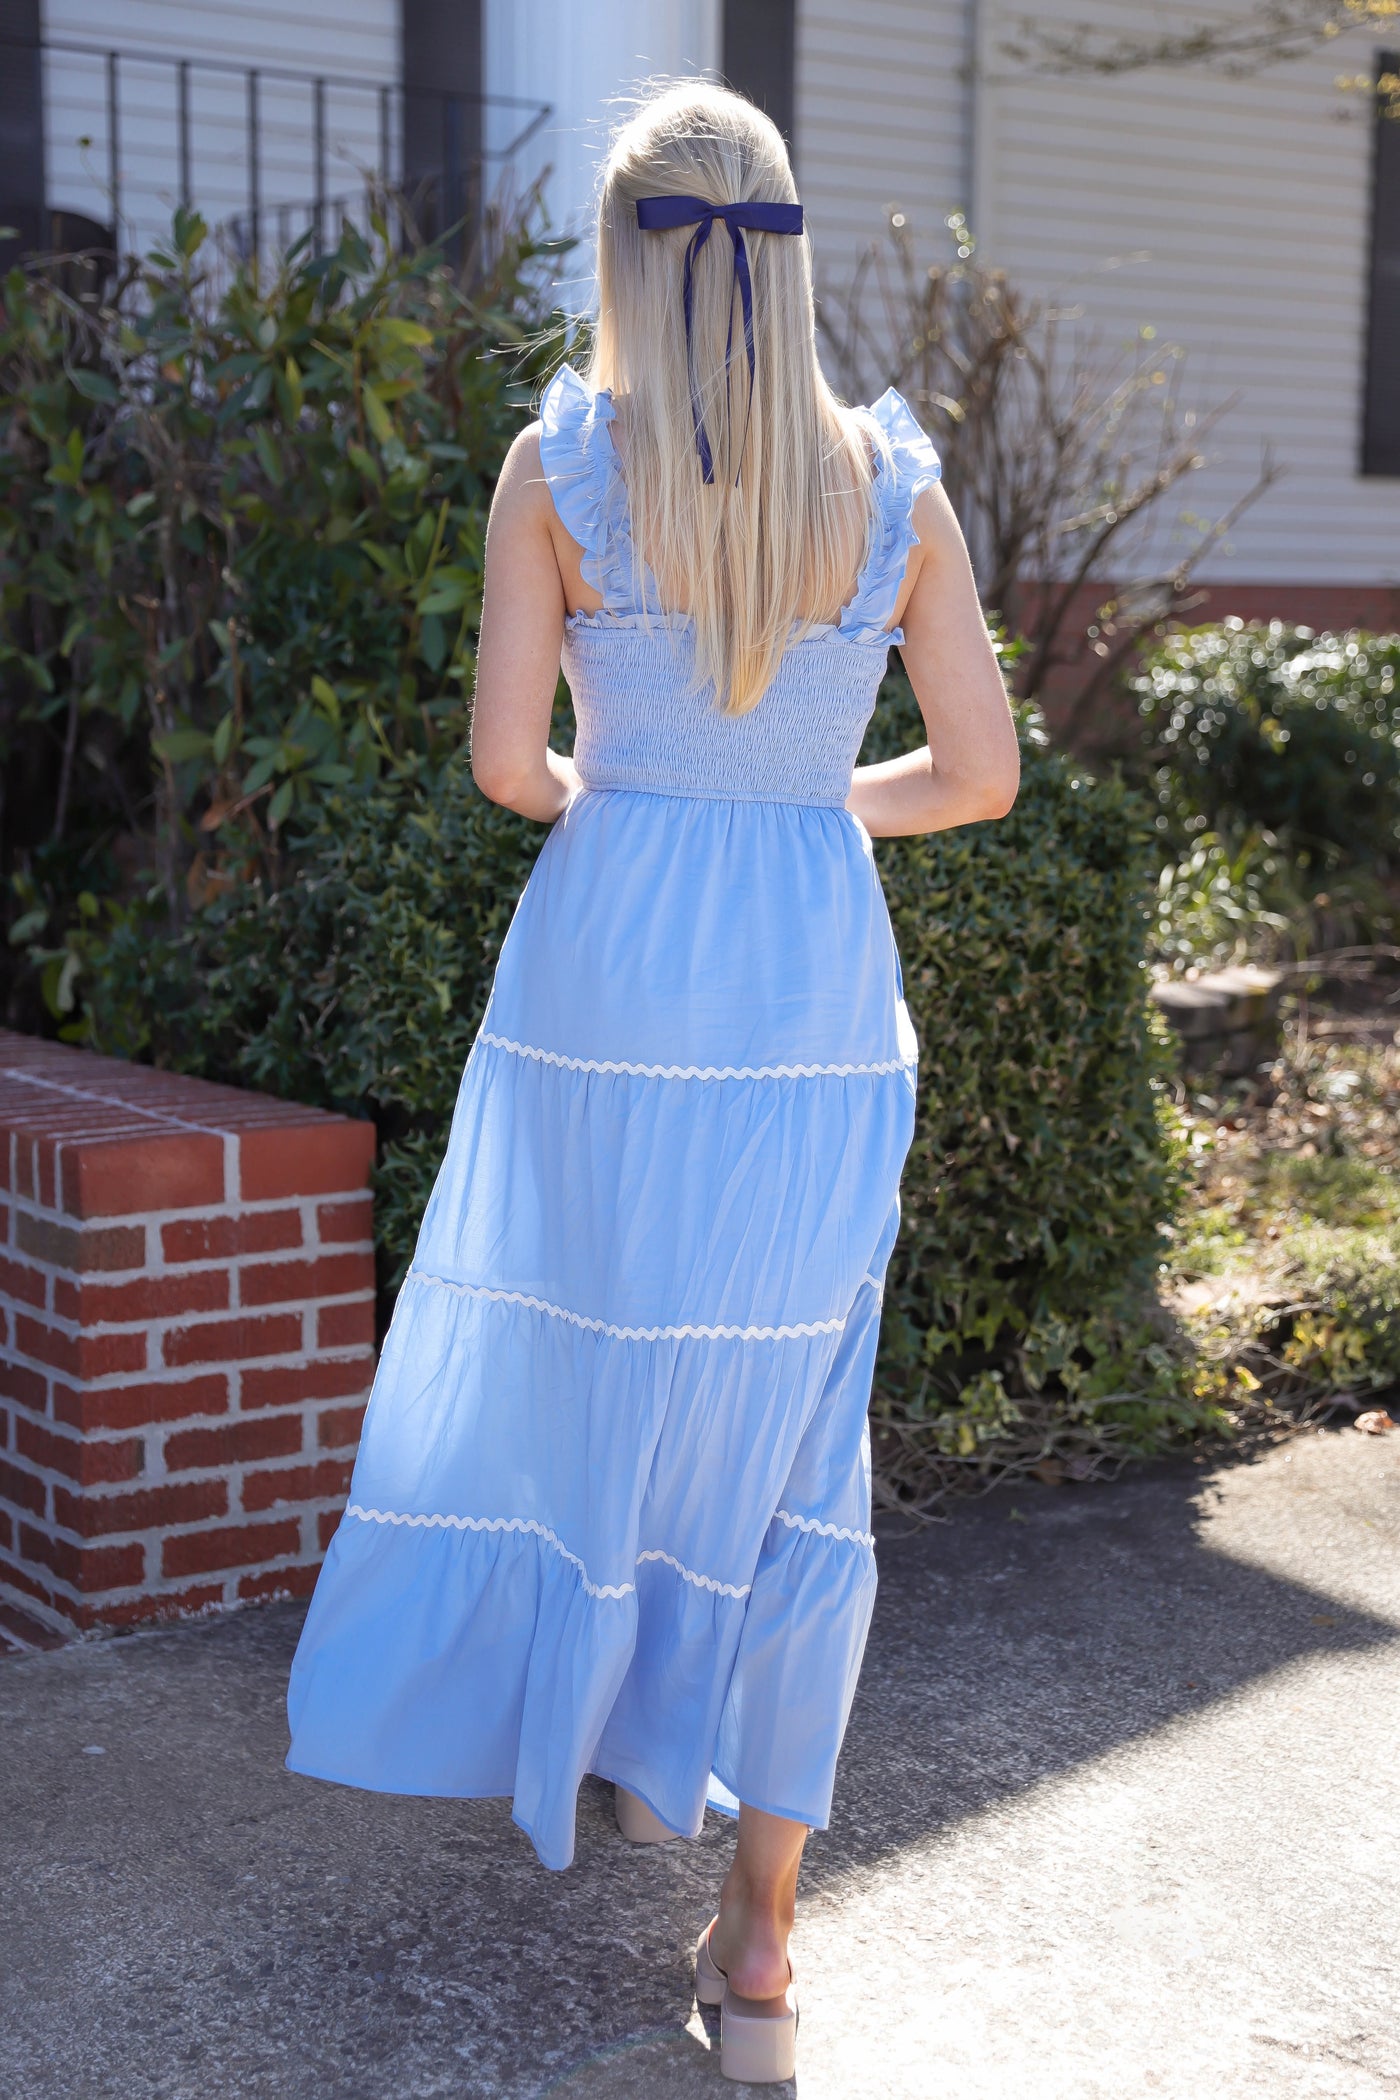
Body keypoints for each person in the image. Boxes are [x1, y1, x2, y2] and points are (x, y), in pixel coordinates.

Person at [285, 79, 1018, 2085]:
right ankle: (760, 1943)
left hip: (611, 972)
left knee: (594, 1362)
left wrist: (649, 797)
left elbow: (511, 766)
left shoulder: (564, 465)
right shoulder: (892, 480)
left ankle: (603, 1742)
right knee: (793, 1430)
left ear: (621, 260)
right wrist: (804, 816)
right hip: (804, 991)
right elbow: (977, 775)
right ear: (779, 254)